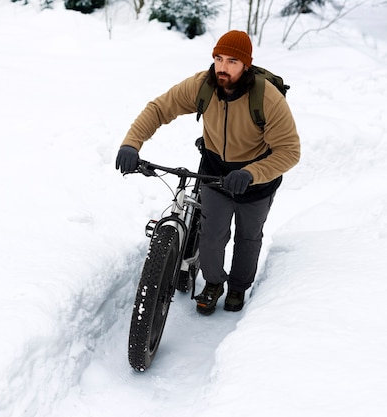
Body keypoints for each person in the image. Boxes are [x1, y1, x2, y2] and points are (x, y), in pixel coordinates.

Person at [115, 30, 300, 315]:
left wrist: (251, 173)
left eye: (232, 61)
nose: (222, 67)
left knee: (248, 238)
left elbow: (289, 151)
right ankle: (214, 283)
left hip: (257, 179)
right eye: (218, 58)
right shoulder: (204, 85)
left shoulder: (267, 98)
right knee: (211, 236)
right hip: (215, 173)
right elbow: (159, 108)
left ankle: (238, 286)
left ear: (246, 65)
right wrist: (131, 143)